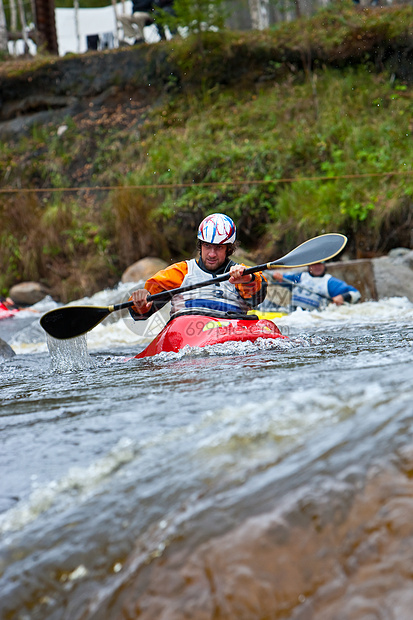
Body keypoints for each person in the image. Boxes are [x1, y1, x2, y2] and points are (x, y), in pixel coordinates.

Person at [129, 213, 267, 320]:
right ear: (200, 245)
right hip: (187, 333)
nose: (212, 254)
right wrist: (140, 303)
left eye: (218, 247)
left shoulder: (242, 273)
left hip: (229, 332)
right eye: (207, 246)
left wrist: (248, 279)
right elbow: (142, 311)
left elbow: (257, 296)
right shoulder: (181, 272)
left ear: (228, 249)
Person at [270, 262, 361, 312]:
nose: (317, 267)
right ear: (309, 266)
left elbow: (356, 293)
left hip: (314, 316)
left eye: (320, 264)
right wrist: (277, 277)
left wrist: (342, 297)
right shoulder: (300, 277)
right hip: (294, 313)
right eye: (314, 264)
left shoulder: (330, 282)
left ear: (324, 265)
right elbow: (279, 278)